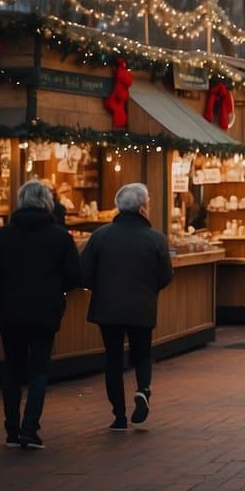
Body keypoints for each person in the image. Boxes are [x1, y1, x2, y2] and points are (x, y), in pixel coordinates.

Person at [0, 180, 81, 450]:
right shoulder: (59, 237)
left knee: (12, 368)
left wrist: (2, 293)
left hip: (9, 310)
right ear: (47, 202)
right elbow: (73, 276)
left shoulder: (0, 236)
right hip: (46, 310)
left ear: (20, 202)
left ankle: (11, 430)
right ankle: (30, 428)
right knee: (40, 368)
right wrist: (57, 290)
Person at [81, 183, 174, 432]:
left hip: (107, 307)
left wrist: (99, 288)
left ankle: (118, 415)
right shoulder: (155, 238)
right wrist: (149, 289)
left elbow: (84, 273)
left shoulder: (100, 236)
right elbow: (166, 275)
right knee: (142, 352)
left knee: (113, 357)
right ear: (142, 208)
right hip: (141, 306)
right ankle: (142, 389)